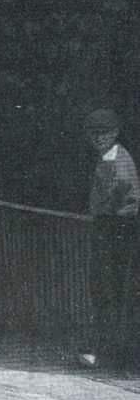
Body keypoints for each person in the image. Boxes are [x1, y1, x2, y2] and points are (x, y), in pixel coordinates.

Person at [79, 107, 139, 369]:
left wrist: (108, 218)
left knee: (113, 291)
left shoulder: (118, 160)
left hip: (118, 231)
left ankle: (115, 354)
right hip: (109, 228)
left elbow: (126, 196)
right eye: (93, 134)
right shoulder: (106, 158)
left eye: (103, 133)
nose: (97, 138)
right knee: (103, 290)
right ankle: (105, 350)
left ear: (114, 133)